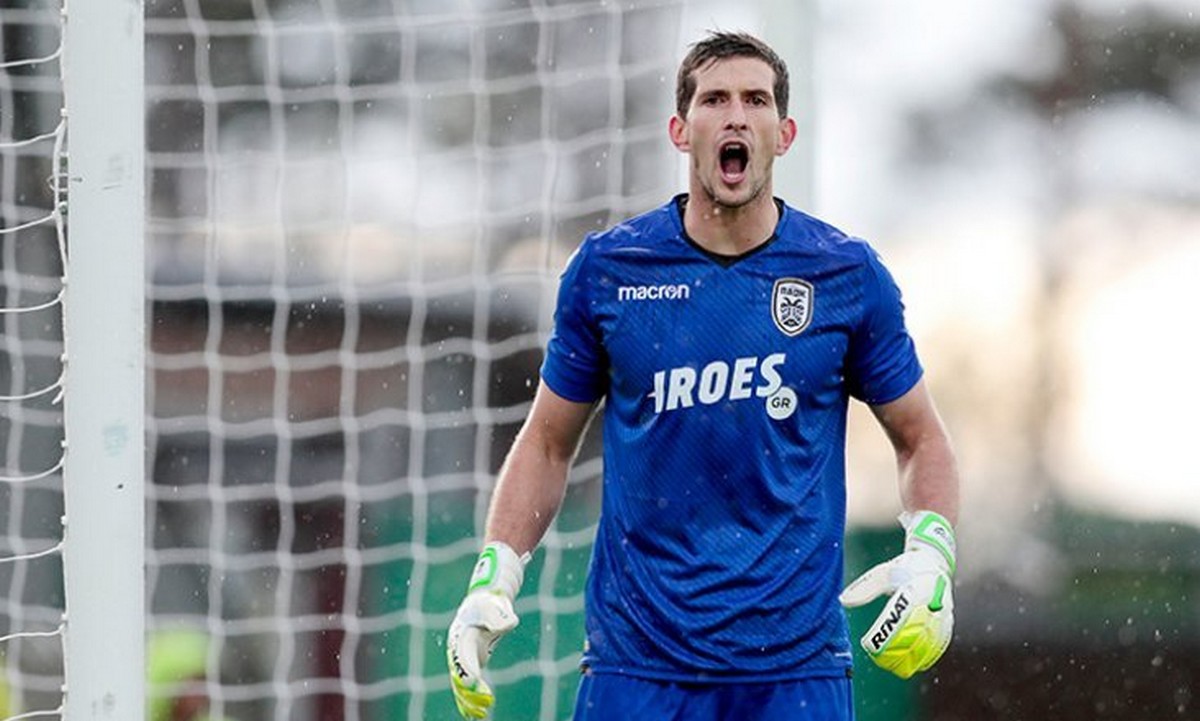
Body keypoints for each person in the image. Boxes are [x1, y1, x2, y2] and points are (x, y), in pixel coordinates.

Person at [446, 30, 960, 720]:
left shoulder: (846, 275)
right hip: (637, 666)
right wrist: (495, 574)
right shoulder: (608, 271)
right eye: (715, 100)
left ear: (785, 133)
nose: (736, 116)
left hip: (795, 672)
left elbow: (921, 436)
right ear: (681, 131)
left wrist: (931, 552)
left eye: (756, 100)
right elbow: (546, 442)